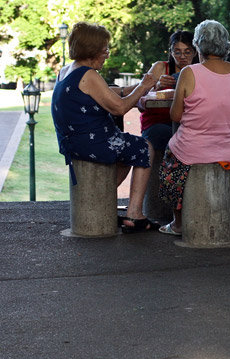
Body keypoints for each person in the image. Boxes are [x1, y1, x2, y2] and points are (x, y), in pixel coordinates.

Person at [51, 22, 158, 233]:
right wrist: (144, 87)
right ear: (91, 50)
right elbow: (119, 108)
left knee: (126, 149)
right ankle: (134, 213)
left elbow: (109, 92)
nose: (107, 54)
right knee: (144, 147)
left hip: (72, 142)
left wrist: (137, 88)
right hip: (90, 143)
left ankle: (101, 199)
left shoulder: (66, 70)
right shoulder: (89, 75)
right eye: (105, 49)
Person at [158, 20, 230, 236]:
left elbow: (176, 115)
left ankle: (178, 223)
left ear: (198, 46)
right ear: (225, 46)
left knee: (171, 163)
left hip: (193, 150)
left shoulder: (190, 72)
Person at [138, 31, 198, 152]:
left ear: (195, 52)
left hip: (187, 124)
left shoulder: (198, 71)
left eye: (187, 52)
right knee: (173, 137)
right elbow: (139, 100)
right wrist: (157, 86)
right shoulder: (160, 67)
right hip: (157, 122)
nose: (182, 56)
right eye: (177, 52)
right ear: (171, 52)